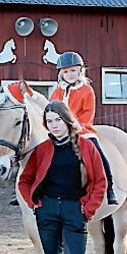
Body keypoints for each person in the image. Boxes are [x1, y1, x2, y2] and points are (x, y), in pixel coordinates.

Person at [18, 101, 107, 254]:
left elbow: (100, 182)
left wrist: (87, 210)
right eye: (49, 122)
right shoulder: (42, 150)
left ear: (66, 120)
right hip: (47, 211)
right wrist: (34, 203)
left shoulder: (86, 147)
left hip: (73, 211)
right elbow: (24, 180)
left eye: (57, 120)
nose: (54, 125)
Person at [49, 51, 117, 205]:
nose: (70, 74)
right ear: (61, 74)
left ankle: (110, 188)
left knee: (98, 153)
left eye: (73, 70)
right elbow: (50, 111)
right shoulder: (56, 92)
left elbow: (88, 114)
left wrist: (72, 127)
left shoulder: (87, 90)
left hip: (82, 130)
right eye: (66, 71)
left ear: (80, 70)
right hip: (57, 131)